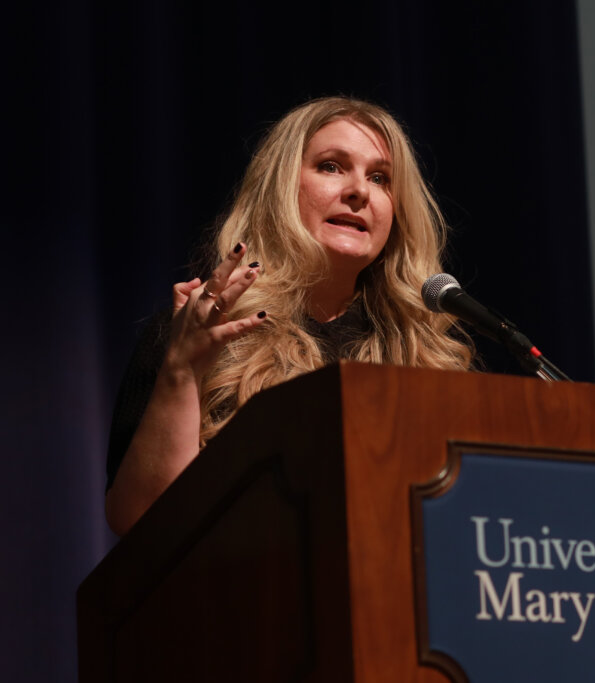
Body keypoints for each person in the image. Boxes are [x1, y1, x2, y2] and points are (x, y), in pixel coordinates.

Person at [105, 97, 473, 536]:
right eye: (331, 166)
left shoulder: (426, 357)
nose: (359, 191)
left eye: (380, 178)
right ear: (280, 189)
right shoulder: (198, 335)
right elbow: (139, 521)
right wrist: (182, 372)